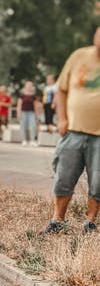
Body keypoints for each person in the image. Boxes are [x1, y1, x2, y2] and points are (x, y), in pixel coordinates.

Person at [45, 26, 100, 234]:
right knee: (63, 176)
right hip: (74, 131)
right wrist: (61, 119)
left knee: (98, 181)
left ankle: (91, 222)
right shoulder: (79, 56)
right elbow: (61, 89)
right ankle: (57, 220)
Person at [17, 81, 39, 146]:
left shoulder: (33, 96)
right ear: (25, 86)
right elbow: (19, 105)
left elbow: (35, 105)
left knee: (33, 126)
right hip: (23, 112)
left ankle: (32, 140)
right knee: (23, 126)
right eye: (28, 85)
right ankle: (24, 140)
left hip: (31, 112)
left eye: (30, 85)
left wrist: (36, 114)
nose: (29, 86)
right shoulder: (22, 95)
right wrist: (18, 113)